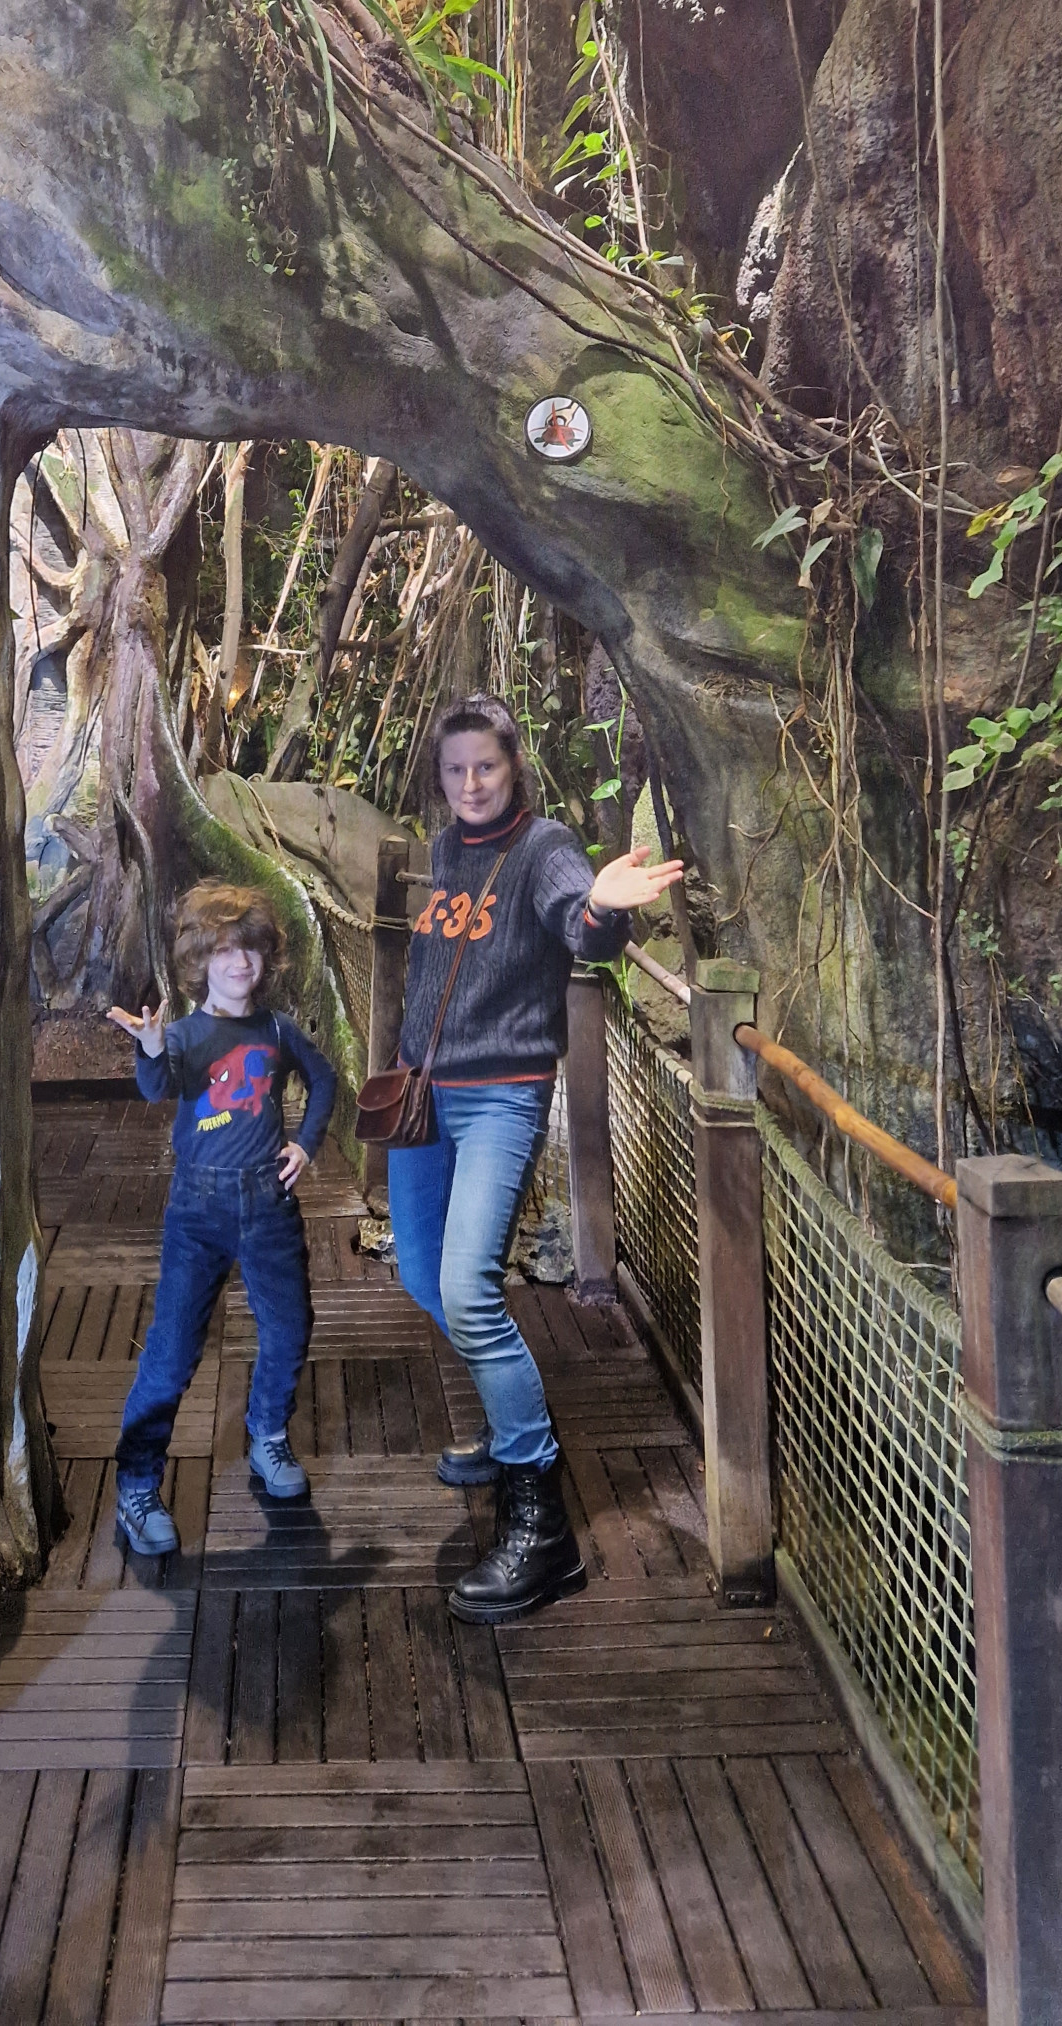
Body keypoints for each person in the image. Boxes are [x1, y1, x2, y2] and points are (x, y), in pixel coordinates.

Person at [391, 691, 682, 1622]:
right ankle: (507, 1414)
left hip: (500, 1098)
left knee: (471, 1286)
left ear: (512, 767)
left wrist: (602, 908)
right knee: (425, 1276)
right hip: (422, 1094)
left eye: (486, 766)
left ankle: (540, 1522)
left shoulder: (546, 847)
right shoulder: (443, 852)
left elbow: (577, 917)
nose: (471, 783)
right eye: (456, 770)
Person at [106, 883, 337, 1558]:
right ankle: (137, 1488)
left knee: (291, 1328)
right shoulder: (183, 1037)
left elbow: (322, 1081)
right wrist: (150, 1047)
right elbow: (159, 1086)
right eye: (226, 951)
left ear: (269, 958)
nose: (241, 965)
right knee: (173, 1352)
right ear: (201, 961)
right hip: (198, 1210)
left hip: (269, 1204)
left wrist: (307, 1142)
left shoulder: (276, 1031)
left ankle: (267, 1436)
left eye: (253, 950)